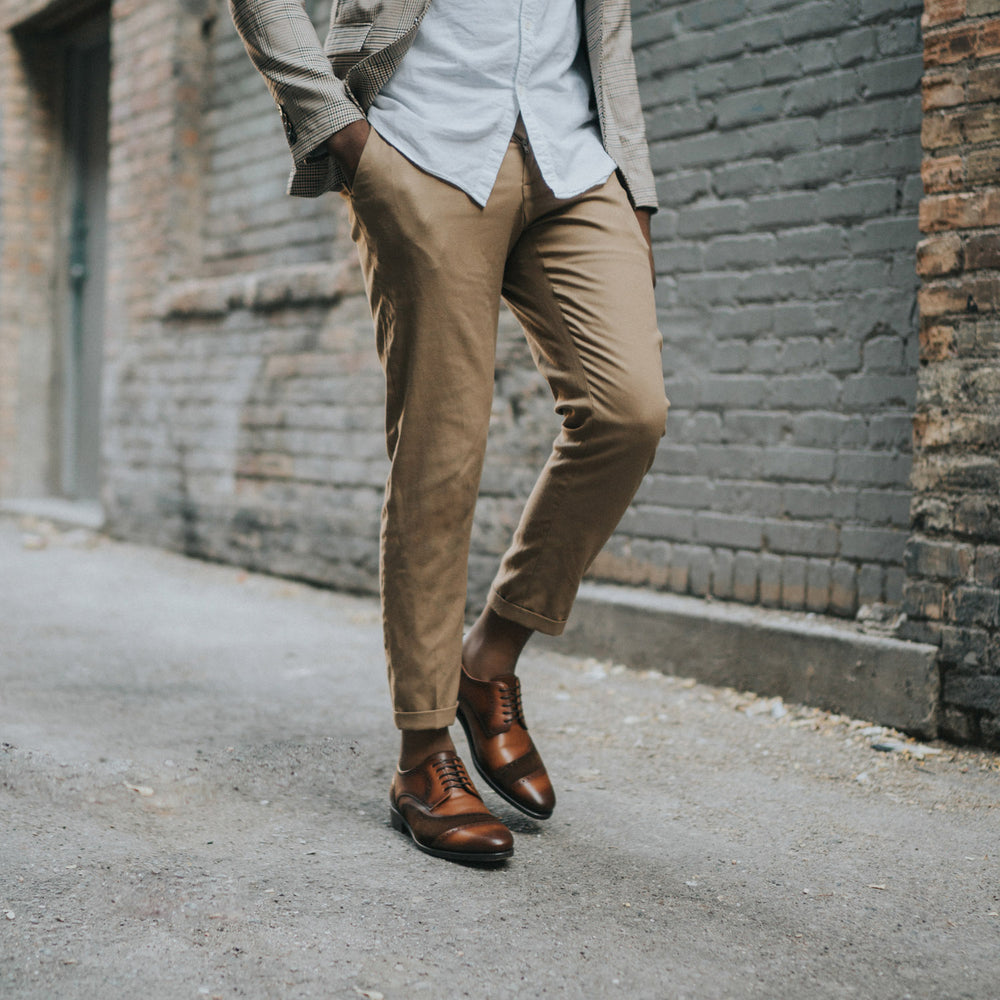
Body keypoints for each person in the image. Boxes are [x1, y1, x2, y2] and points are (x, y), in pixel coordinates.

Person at [231, 0, 668, 863]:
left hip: (576, 154)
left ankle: (490, 658)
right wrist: (343, 134)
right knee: (441, 454)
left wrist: (634, 184)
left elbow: (608, 26)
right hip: (423, 146)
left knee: (629, 411)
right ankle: (423, 754)